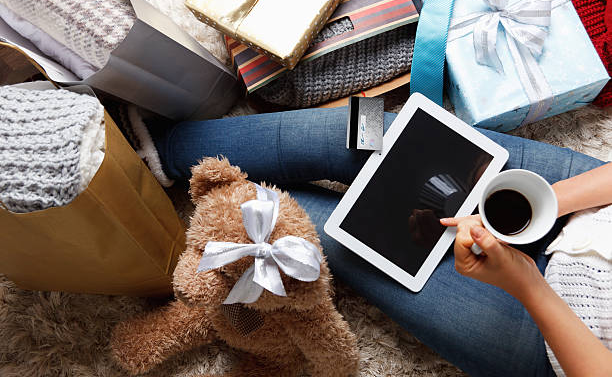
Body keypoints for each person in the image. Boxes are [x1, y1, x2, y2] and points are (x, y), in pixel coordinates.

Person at [145, 107, 611, 376]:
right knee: (358, 131)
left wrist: (526, 282)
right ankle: (159, 148)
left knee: (319, 235)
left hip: (564, 342)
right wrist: (542, 203)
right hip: (593, 208)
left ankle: (191, 184)